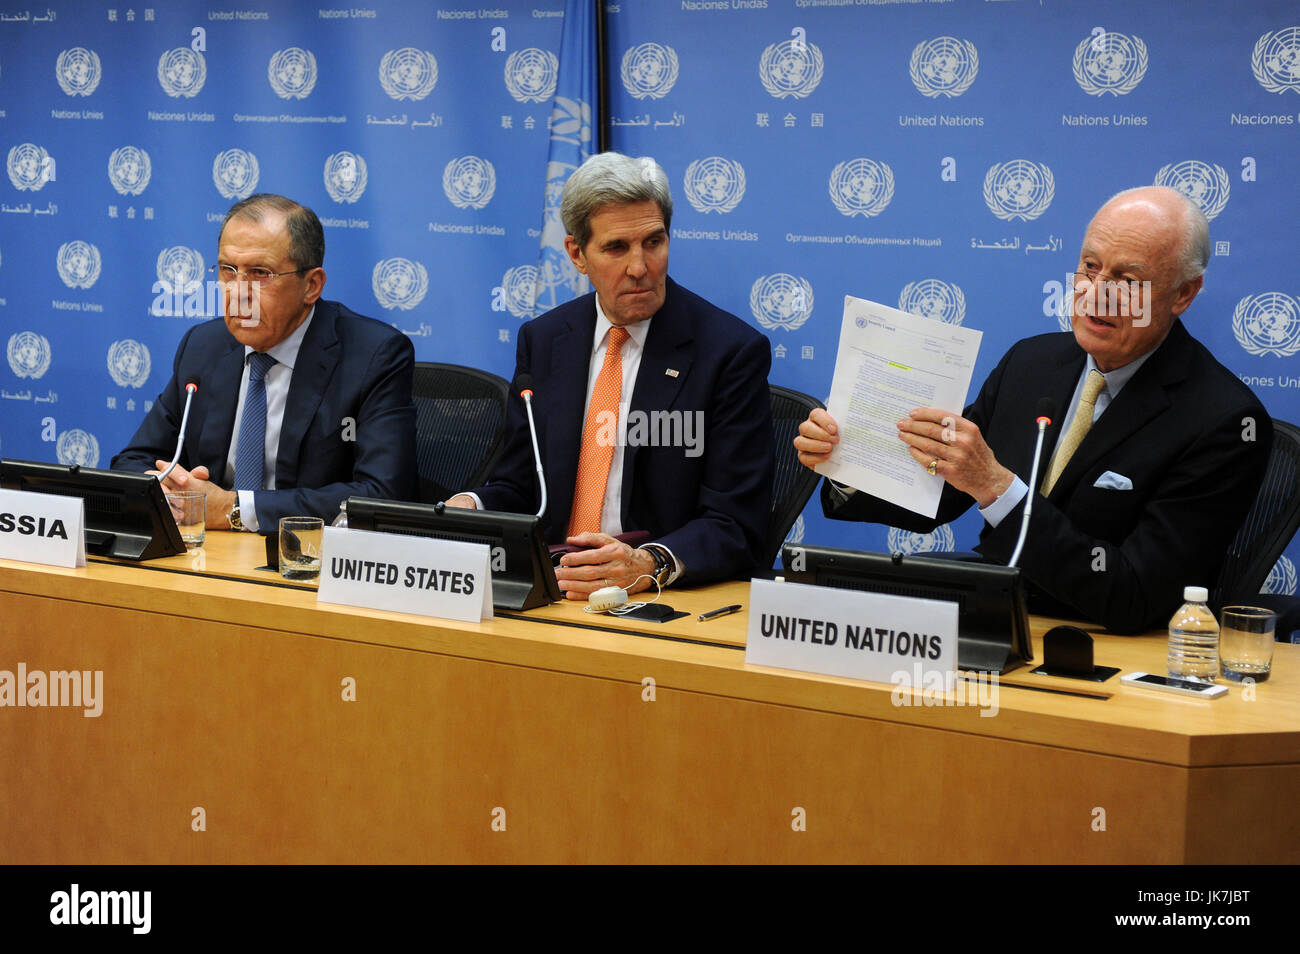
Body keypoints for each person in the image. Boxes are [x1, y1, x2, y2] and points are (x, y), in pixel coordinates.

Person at [794, 186, 1272, 633]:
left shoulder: (1223, 421)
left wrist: (998, 489)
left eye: (1127, 280)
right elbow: (939, 494)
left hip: (1102, 641)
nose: (1096, 292)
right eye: (1089, 267)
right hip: (993, 617)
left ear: (1183, 294)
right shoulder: (1033, 362)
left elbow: (1137, 595)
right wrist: (849, 461)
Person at [448, 152, 773, 600]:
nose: (640, 267)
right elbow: (523, 484)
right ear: (577, 254)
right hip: (552, 587)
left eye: (654, 242)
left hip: (654, 595)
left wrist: (649, 563)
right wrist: (471, 506)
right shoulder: (544, 341)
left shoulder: (728, 353)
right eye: (616, 248)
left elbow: (736, 524)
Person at [112, 193, 417, 531]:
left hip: (304, 560)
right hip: (210, 555)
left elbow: (383, 495)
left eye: (260, 273)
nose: (239, 292)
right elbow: (132, 460)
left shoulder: (374, 356)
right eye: (228, 270)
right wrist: (167, 492)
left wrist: (234, 509)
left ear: (311, 285)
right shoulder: (203, 346)